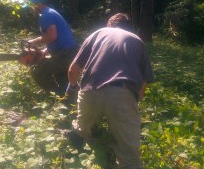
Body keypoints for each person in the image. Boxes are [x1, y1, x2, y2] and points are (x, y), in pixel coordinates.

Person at [66, 13, 154, 169]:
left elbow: (73, 69)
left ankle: (77, 153)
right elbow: (143, 84)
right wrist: (129, 104)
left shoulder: (97, 34)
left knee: (82, 128)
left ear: (109, 25)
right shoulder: (137, 40)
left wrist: (73, 87)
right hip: (123, 92)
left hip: (90, 90)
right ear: (129, 27)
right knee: (129, 154)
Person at [23, 0, 78, 95]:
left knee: (38, 72)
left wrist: (32, 42)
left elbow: (52, 36)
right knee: (62, 79)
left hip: (65, 53)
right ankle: (69, 100)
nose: (30, 10)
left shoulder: (46, 15)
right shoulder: (50, 12)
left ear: (37, 4)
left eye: (31, 7)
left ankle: (57, 97)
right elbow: (57, 37)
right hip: (68, 52)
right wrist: (45, 51)